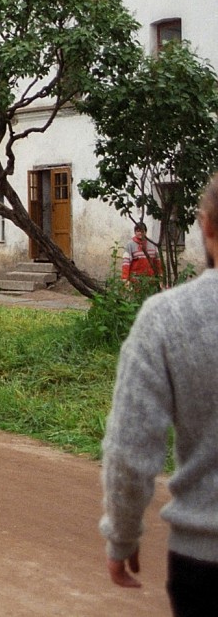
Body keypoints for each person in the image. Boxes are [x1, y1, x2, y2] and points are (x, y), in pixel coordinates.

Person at [99, 172, 218, 615]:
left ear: (205, 224)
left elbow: (130, 448)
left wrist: (122, 535)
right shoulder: (137, 254)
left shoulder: (168, 319)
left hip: (205, 560)